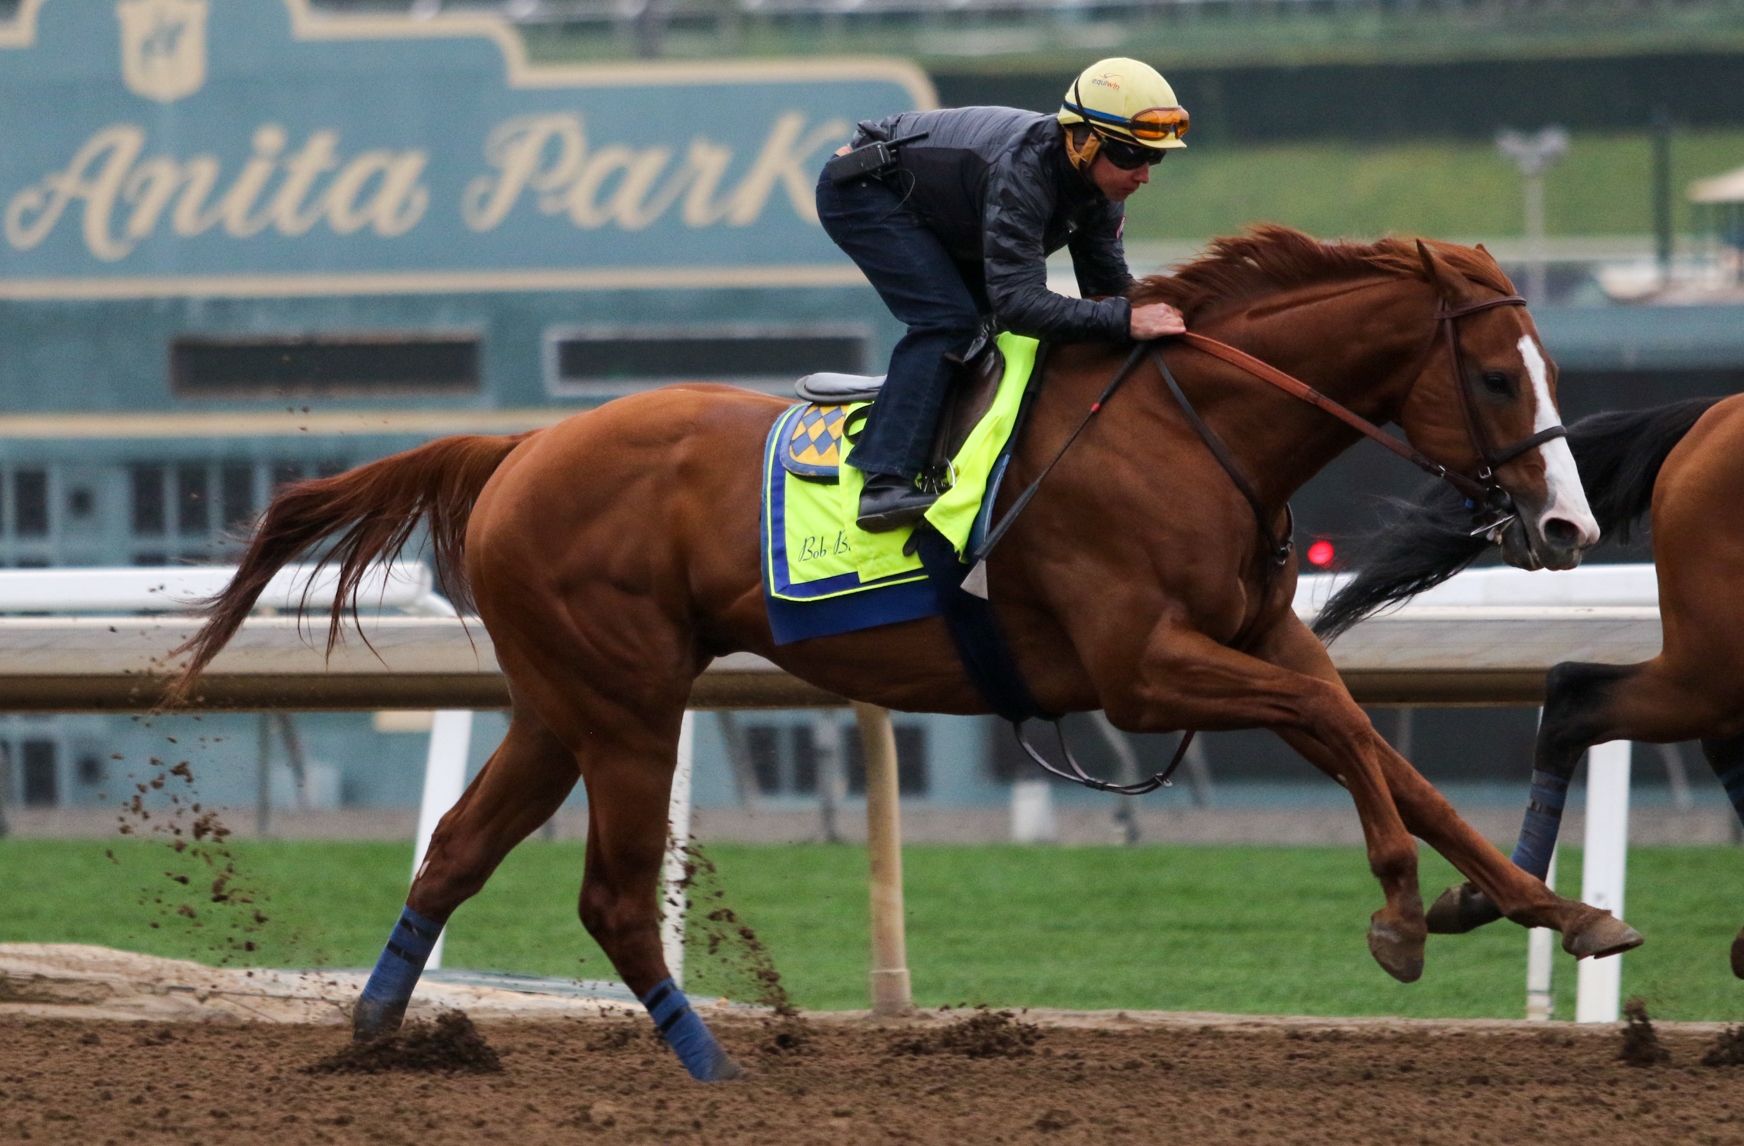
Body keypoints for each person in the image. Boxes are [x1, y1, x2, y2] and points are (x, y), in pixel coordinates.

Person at [816, 58, 1190, 532]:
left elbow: (1109, 291)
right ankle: (883, 481)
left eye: (1154, 157)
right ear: (1083, 139)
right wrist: (1124, 320)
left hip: (944, 204)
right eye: (1132, 156)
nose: (1144, 174)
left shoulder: (1101, 190)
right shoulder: (1024, 171)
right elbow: (1022, 302)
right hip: (864, 188)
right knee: (950, 321)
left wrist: (1173, 320)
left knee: (984, 323)